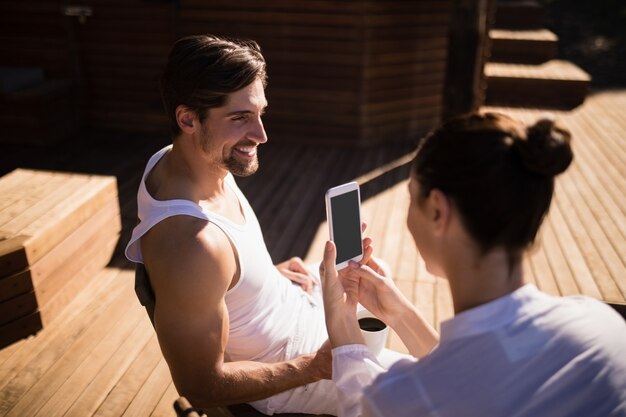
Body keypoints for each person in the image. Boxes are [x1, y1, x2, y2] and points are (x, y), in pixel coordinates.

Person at [124, 34, 408, 416]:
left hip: (292, 305)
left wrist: (255, 278)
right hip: (293, 371)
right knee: (428, 396)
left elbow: (213, 277)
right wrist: (319, 366)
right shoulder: (194, 247)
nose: (261, 134)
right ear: (187, 118)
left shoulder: (177, 161)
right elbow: (202, 385)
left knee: (368, 277)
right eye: (240, 118)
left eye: (260, 113)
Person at [319, 112, 626, 417]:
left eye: (412, 198)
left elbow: (385, 404)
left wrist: (342, 327)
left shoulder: (406, 398)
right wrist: (402, 315)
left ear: (438, 211)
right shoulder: (604, 326)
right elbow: (482, 373)